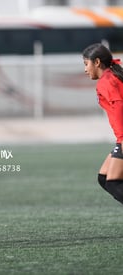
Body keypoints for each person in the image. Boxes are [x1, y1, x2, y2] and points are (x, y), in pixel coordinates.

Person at [83, 43, 123, 206]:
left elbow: (120, 106)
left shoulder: (106, 80)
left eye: (86, 64)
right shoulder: (112, 76)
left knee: (113, 182)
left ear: (97, 62)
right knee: (104, 178)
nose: (86, 69)